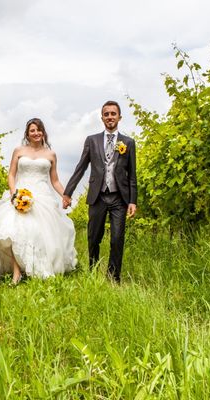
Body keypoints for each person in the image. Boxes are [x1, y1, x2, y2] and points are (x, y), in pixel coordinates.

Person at [0, 118, 77, 284]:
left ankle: (33, 267)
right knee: (10, 229)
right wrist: (14, 194)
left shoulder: (50, 154)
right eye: (32, 130)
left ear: (43, 132)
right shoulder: (19, 150)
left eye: (39, 130)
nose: (36, 133)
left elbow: (54, 181)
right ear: (27, 134)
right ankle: (16, 273)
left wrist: (65, 195)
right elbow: (11, 174)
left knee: (36, 233)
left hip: (42, 197)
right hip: (20, 194)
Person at [62, 101, 137, 283]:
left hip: (119, 197)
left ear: (119, 117)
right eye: (106, 114)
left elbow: (132, 174)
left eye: (113, 113)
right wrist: (68, 192)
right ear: (102, 117)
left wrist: (133, 201)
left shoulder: (128, 142)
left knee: (117, 238)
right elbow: (80, 167)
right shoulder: (92, 140)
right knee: (94, 237)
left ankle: (113, 278)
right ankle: (93, 272)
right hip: (97, 196)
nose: (110, 117)